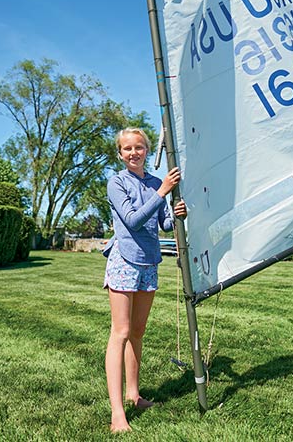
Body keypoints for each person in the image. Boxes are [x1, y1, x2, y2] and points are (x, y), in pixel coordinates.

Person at [103, 127, 187, 433]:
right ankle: (117, 414)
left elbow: (161, 222)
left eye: (139, 147)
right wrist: (163, 192)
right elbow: (134, 220)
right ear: (120, 153)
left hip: (150, 262)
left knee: (138, 331)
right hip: (124, 261)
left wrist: (177, 212)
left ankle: (134, 394)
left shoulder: (154, 182)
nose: (133, 153)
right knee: (121, 331)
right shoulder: (117, 183)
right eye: (127, 149)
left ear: (147, 150)